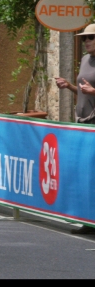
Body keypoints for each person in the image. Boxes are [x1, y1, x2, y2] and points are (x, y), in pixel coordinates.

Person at [55, 24, 95, 235]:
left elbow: (90, 91)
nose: (86, 41)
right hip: (83, 123)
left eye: (91, 37)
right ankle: (87, 220)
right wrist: (69, 86)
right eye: (84, 38)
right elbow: (83, 92)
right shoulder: (84, 60)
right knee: (85, 173)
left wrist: (93, 90)